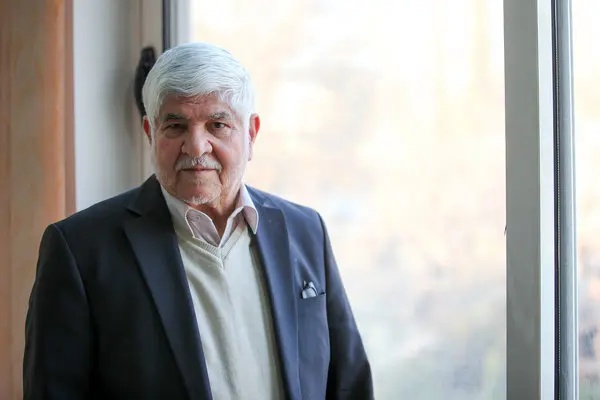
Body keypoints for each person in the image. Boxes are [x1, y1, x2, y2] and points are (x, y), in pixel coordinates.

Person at [23, 42, 373, 400]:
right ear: (150, 133)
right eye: (175, 126)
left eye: (217, 125)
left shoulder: (305, 230)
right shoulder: (80, 250)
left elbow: (349, 384)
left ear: (251, 133)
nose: (196, 146)